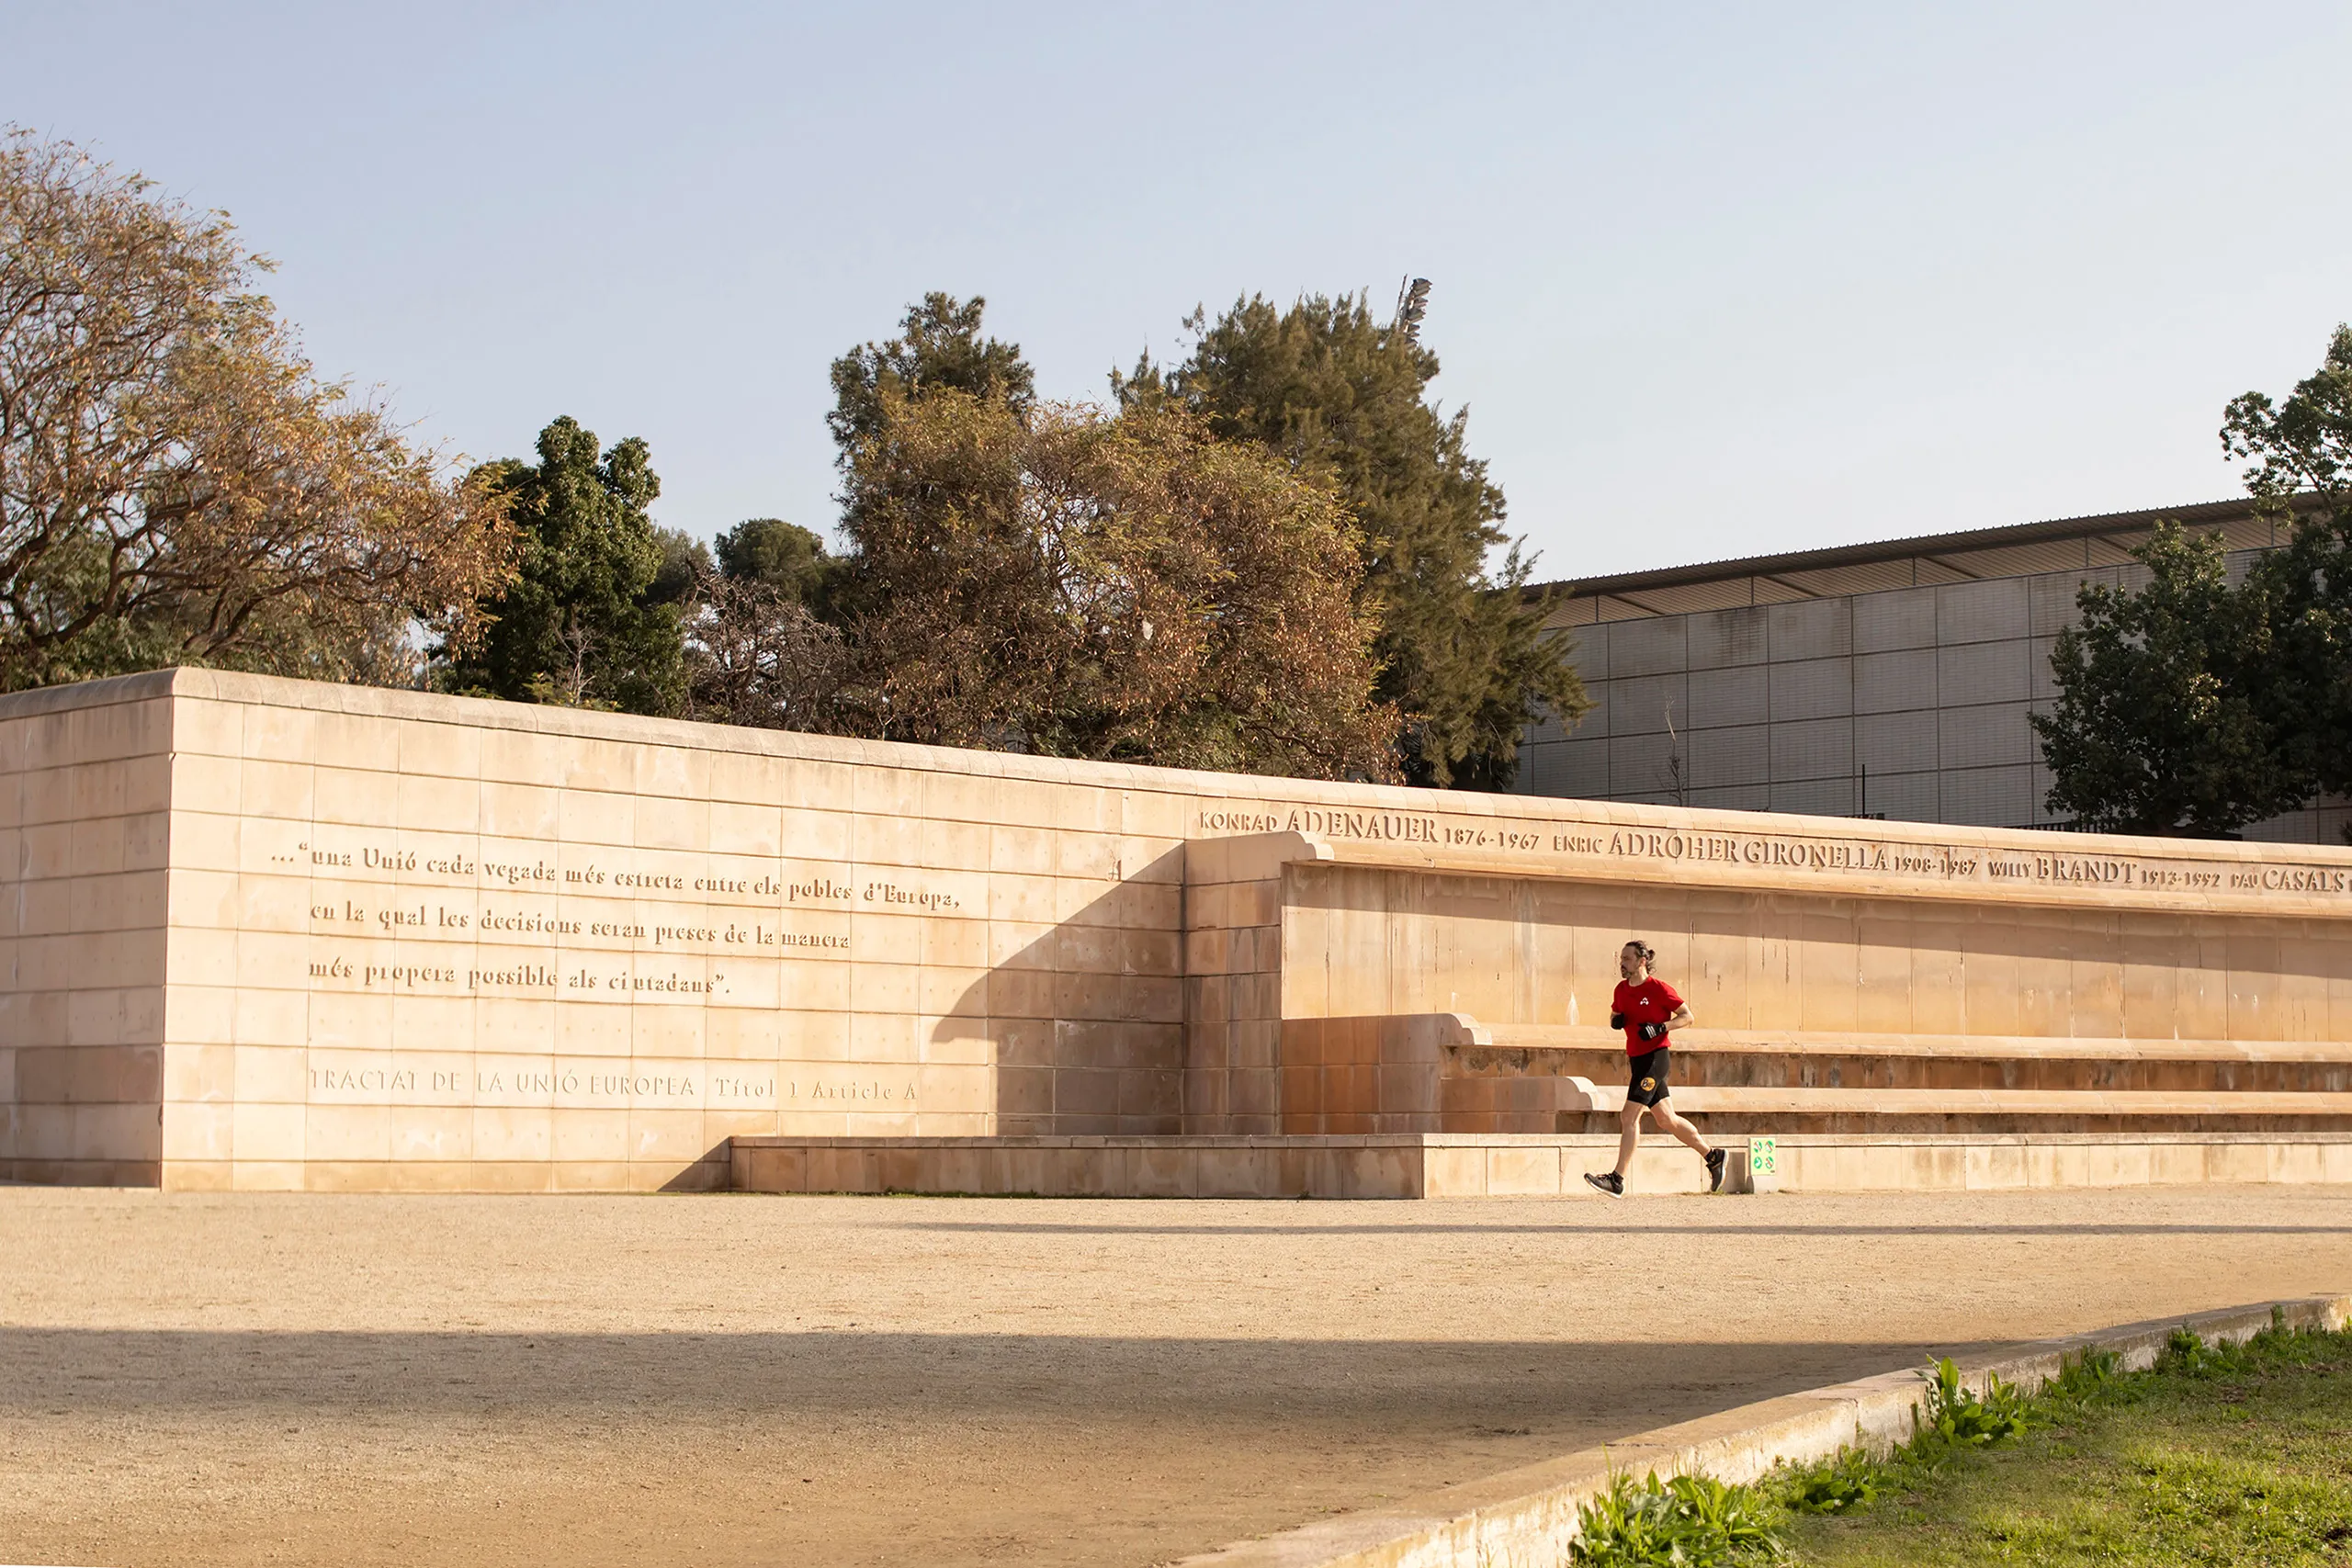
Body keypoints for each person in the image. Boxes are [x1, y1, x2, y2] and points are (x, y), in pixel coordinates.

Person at [1583, 939, 1726, 1197]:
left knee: (1629, 1117)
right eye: (1621, 959)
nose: (1622, 963)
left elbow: (1688, 1017)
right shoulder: (1621, 990)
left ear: (1642, 961)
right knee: (1666, 1119)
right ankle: (1713, 1157)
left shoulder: (1658, 989)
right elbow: (1615, 1014)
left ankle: (1617, 1180)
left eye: (1627, 959)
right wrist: (1617, 1021)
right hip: (1637, 1060)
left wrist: (1661, 1027)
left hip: (1655, 1060)